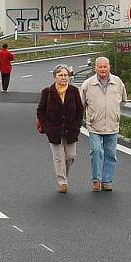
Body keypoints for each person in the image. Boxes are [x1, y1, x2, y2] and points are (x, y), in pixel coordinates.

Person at [80, 56, 127, 192]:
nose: (103, 69)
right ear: (95, 68)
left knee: (110, 154)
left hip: (112, 125)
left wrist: (115, 113)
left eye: (105, 66)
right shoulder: (88, 84)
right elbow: (81, 104)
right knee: (96, 151)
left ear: (109, 67)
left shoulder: (117, 82)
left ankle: (107, 181)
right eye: (100, 67)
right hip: (94, 125)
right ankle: (96, 179)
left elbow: (123, 100)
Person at [36, 65, 84, 193]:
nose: (63, 78)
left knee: (71, 156)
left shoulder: (74, 91)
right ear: (54, 77)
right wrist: (47, 127)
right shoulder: (48, 92)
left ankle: (64, 175)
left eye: (65, 75)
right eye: (60, 75)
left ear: (69, 77)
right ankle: (62, 182)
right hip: (54, 129)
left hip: (70, 129)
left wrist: (77, 125)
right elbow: (41, 111)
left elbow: (80, 109)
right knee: (58, 157)